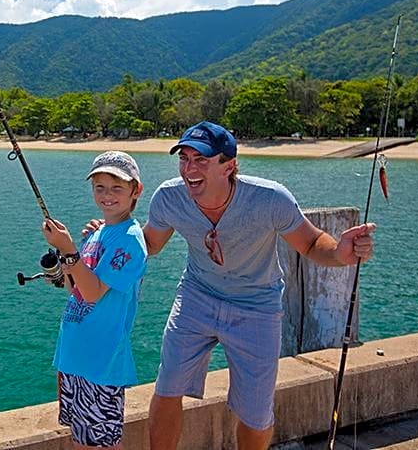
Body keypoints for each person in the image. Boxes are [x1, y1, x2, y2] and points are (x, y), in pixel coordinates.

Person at [142, 121, 376, 450]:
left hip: (256, 307)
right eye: (184, 158)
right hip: (196, 297)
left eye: (202, 160)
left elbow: (310, 244)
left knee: (256, 414)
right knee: (167, 388)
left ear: (230, 166)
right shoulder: (169, 198)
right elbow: (148, 246)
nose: (189, 169)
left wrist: (340, 252)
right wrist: (108, 237)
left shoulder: (269, 199)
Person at [42, 150, 148, 450]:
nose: (107, 195)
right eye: (99, 187)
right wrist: (67, 256)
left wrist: (68, 247)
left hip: (101, 363)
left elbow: (93, 292)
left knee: (99, 445)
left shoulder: (129, 239)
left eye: (117, 188)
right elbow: (76, 289)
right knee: (80, 441)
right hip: (75, 359)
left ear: (135, 191)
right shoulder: (98, 233)